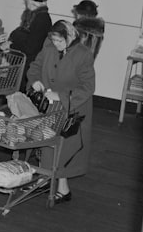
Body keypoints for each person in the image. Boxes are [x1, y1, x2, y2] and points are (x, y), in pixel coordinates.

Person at [27, 21, 95, 204]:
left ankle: (63, 189)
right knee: (47, 144)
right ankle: (45, 179)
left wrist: (61, 95)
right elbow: (34, 67)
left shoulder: (83, 55)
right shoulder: (49, 48)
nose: (55, 44)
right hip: (50, 107)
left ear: (70, 37)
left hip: (72, 109)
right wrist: (34, 81)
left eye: (59, 40)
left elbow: (88, 88)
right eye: (53, 40)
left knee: (64, 149)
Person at [6, 0, 52, 85]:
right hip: (28, 62)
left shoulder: (41, 19)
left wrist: (11, 45)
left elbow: (31, 47)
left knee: (18, 93)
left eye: (26, 0)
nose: (25, 2)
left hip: (29, 64)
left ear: (31, 1)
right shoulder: (38, 15)